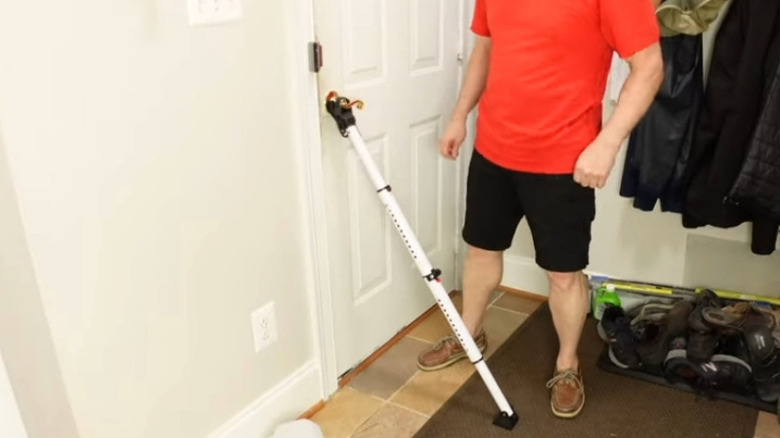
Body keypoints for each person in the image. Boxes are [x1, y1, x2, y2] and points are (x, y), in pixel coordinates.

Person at [416, 0, 664, 419]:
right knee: (480, 250)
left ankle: (568, 365)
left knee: (564, 275)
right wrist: (461, 115)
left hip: (563, 162)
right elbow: (486, 49)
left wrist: (607, 143)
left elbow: (650, 66)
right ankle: (468, 334)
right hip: (494, 149)